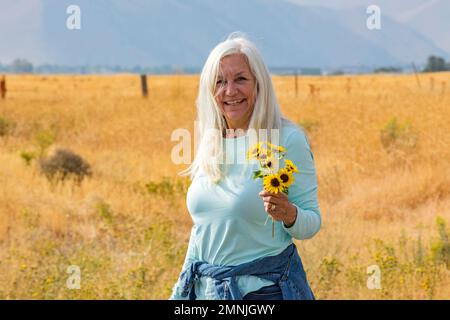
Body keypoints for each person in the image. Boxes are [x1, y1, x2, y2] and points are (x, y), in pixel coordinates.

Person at [170, 33, 321, 300]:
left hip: (265, 292)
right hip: (208, 293)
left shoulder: (287, 138)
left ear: (259, 84)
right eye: (220, 82)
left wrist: (290, 215)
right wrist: (180, 295)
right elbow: (202, 232)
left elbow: (311, 222)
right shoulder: (210, 140)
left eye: (240, 79)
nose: (229, 91)